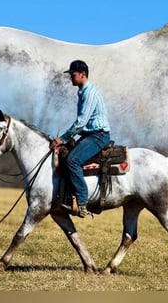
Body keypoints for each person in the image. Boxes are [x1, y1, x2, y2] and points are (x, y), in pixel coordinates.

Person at [50, 60, 111, 218]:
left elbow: (81, 122)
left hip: (98, 135)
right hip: (89, 135)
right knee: (65, 157)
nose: (70, 77)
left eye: (73, 74)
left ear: (83, 75)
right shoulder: (82, 91)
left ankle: (83, 202)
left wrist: (63, 138)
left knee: (72, 161)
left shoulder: (90, 93)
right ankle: (68, 198)